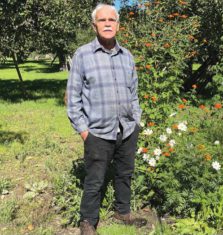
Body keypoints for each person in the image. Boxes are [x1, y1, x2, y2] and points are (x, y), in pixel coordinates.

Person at [66, 4, 145, 234]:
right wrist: (83, 131)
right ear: (94, 25)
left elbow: (134, 93)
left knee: (124, 174)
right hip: (97, 132)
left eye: (112, 19)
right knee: (94, 180)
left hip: (127, 128)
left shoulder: (127, 56)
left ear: (118, 25)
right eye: (102, 20)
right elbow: (72, 98)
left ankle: (123, 212)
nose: (108, 23)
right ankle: (88, 221)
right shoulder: (83, 55)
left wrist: (136, 120)